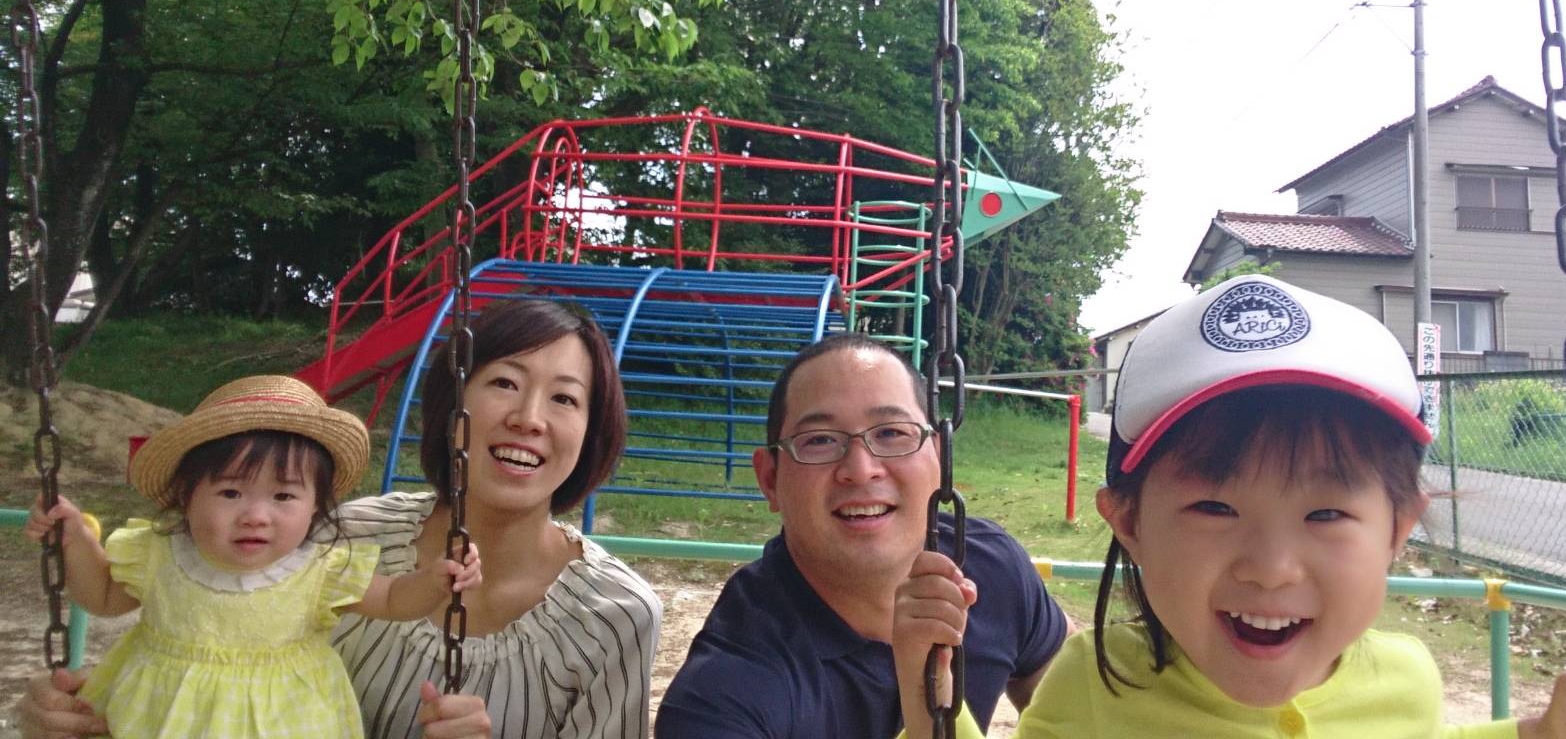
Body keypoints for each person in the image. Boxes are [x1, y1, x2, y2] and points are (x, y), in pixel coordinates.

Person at [894, 275, 1566, 738]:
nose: (1270, 568)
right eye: (1214, 508)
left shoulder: (1407, 678)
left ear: (1398, 528)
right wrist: (929, 699)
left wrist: (1539, 732)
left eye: (1325, 515)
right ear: (1129, 524)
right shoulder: (1096, 687)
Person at [18, 298, 662, 739]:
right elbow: (201, 671)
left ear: (592, 431)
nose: (529, 417)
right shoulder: (338, 537)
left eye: (565, 399)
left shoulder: (615, 617)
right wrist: (74, 719)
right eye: (504, 383)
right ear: (451, 406)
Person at [655, 332, 1069, 738]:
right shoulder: (723, 696)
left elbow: (1078, 703)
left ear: (939, 456)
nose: (861, 469)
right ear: (770, 480)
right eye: (819, 440)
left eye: (891, 433)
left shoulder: (992, 570)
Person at [23, 374, 482, 738]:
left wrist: (435, 581)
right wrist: (74, 541)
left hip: (286, 721)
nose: (256, 516)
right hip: (160, 716)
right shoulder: (161, 552)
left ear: (316, 507)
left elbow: (393, 599)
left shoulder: (320, 568)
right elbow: (102, 596)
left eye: (284, 496)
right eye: (230, 492)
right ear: (185, 496)